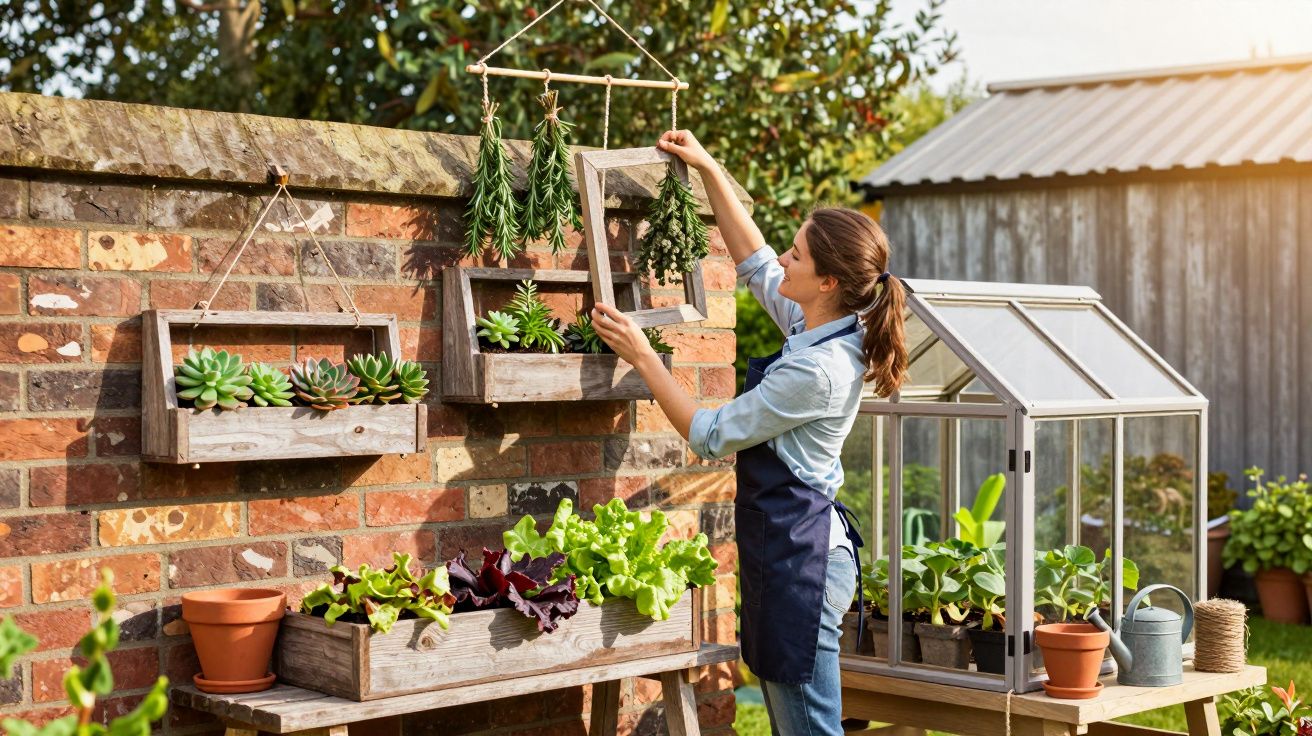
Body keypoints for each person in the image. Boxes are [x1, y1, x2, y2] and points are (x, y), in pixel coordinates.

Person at [590, 129, 910, 736]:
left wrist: (643, 354)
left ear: (827, 283)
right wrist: (710, 168)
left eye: (798, 255)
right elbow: (754, 260)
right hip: (789, 553)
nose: (784, 260)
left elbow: (709, 434)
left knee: (809, 731)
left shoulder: (815, 370)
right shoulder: (824, 324)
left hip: (805, 568)